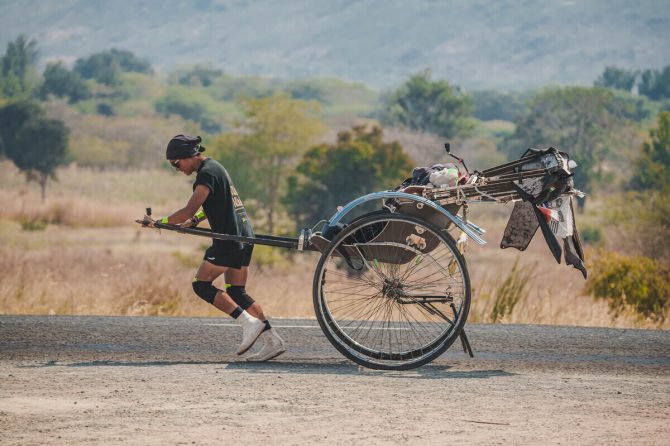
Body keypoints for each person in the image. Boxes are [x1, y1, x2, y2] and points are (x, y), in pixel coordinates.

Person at [143, 134, 286, 361]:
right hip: (244, 237)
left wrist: (158, 222)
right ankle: (272, 340)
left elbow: (188, 210)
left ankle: (249, 324)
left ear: (188, 156)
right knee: (236, 291)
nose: (176, 168)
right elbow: (215, 204)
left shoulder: (206, 174)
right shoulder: (215, 167)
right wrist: (197, 220)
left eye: (176, 163)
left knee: (201, 285)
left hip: (228, 241)